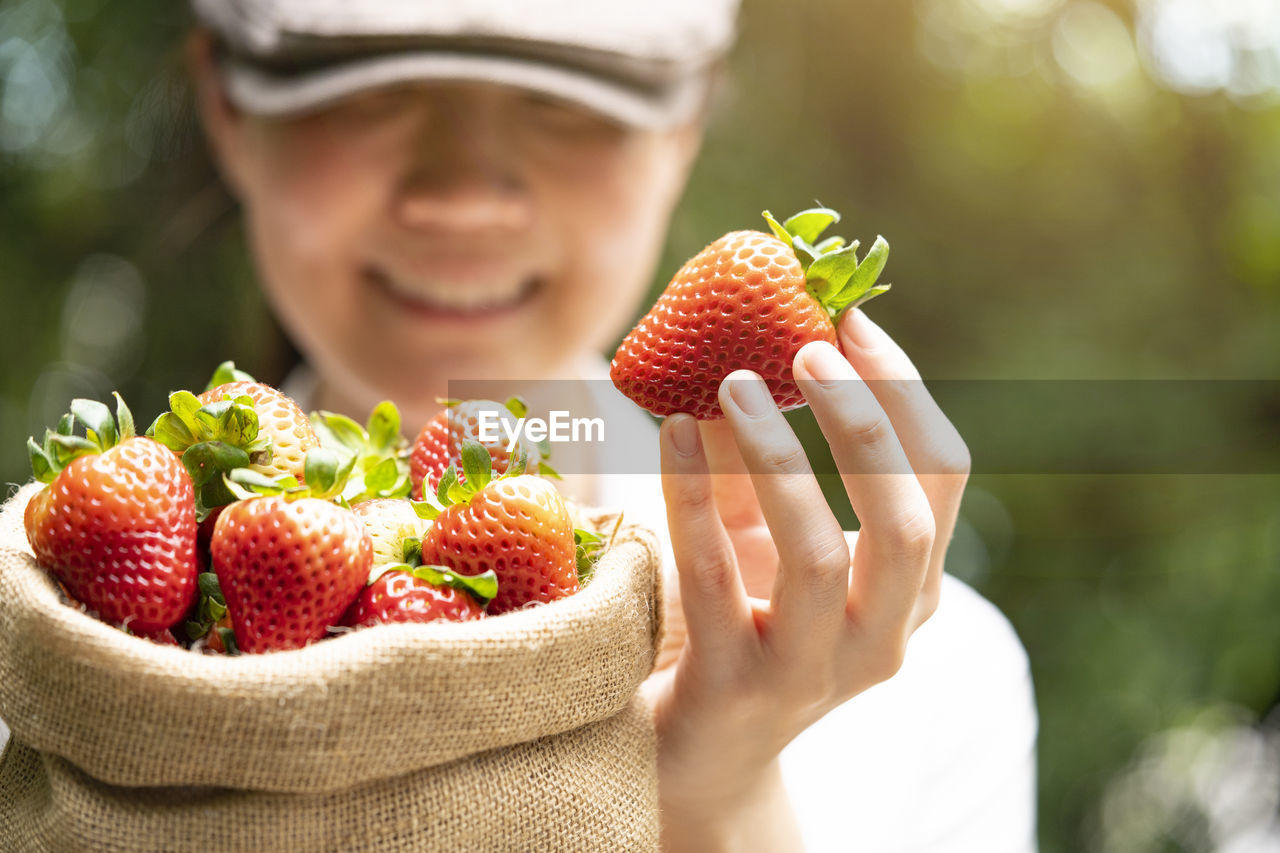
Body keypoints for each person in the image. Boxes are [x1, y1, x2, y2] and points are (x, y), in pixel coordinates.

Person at [4, 1, 1039, 849]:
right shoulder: (46, 652)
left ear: (685, 126)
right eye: (376, 88)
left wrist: (713, 801)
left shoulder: (927, 684)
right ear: (227, 108)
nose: (463, 195)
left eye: (562, 103)